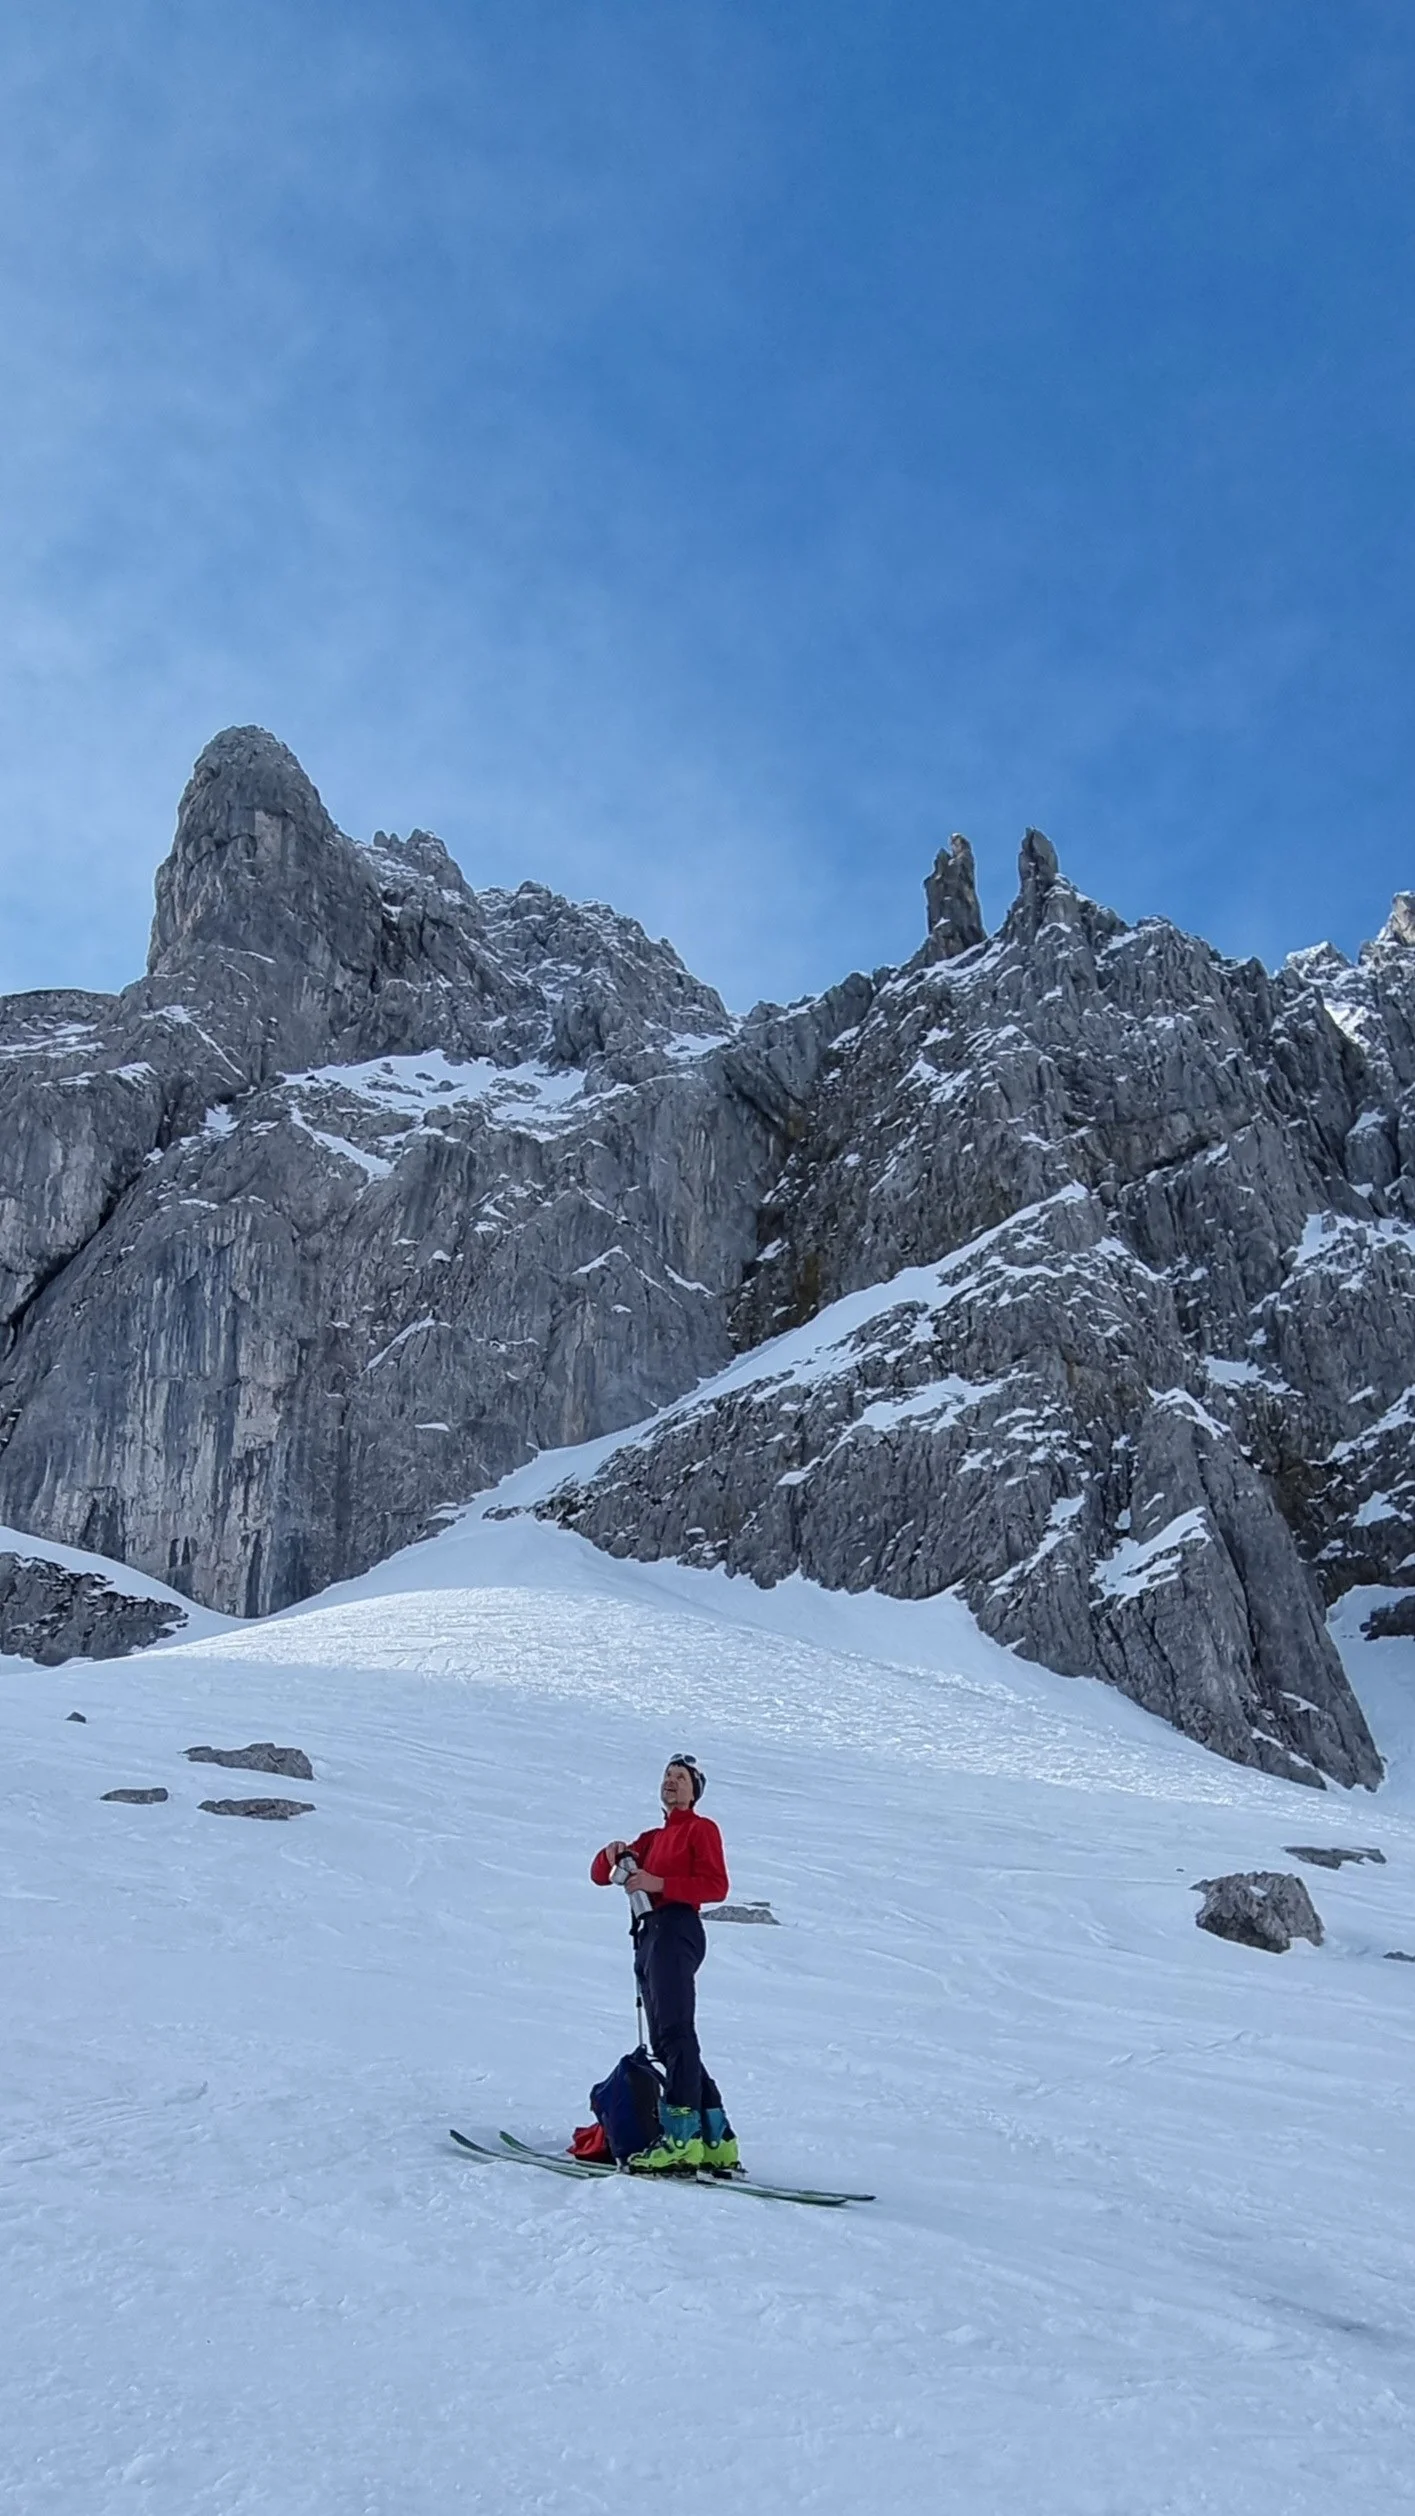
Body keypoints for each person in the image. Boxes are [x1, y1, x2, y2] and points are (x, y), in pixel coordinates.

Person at [590, 1755, 739, 2174]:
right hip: (650, 1934)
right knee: (669, 2038)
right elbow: (600, 1875)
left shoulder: (701, 1828)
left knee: (675, 2033)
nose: (671, 1782)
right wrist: (611, 1853)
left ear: (695, 1791)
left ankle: (681, 2138)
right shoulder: (651, 1838)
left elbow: (716, 1886)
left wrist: (661, 1884)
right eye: (667, 1777)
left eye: (681, 1778)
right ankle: (716, 2138)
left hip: (677, 1928)